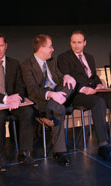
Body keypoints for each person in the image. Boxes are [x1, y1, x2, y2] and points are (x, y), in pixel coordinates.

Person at [57, 30, 111, 163]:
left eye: (79, 42)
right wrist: (83, 89)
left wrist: (99, 85)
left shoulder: (90, 57)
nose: (76, 45)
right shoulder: (63, 57)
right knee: (98, 102)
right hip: (77, 94)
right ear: (70, 43)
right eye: (73, 42)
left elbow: (93, 77)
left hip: (93, 90)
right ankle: (103, 145)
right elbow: (67, 79)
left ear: (85, 43)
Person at [0, 33, 37, 172]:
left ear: (6, 46)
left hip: (13, 103)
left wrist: (17, 98)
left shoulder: (14, 63)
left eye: (1, 46)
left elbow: (21, 87)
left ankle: (25, 153)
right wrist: (5, 99)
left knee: (28, 111)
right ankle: (1, 157)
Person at [21, 34, 76, 167]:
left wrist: (67, 76)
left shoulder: (51, 61)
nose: (52, 49)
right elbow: (33, 90)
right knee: (60, 109)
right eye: (50, 46)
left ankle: (51, 108)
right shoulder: (27, 65)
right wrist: (51, 94)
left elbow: (59, 77)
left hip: (55, 97)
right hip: (40, 100)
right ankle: (59, 152)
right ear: (41, 48)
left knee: (71, 83)